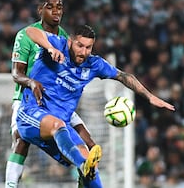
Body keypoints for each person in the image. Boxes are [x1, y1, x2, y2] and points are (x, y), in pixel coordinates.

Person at [18, 25, 174, 186]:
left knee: (89, 160)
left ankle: (85, 173)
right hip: (31, 114)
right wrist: (50, 48)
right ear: (71, 42)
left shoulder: (94, 64)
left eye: (88, 47)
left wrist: (149, 97)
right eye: (80, 45)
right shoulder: (59, 45)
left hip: (62, 126)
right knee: (63, 133)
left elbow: (123, 76)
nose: (84, 52)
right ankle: (83, 165)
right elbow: (30, 31)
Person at [6, 0, 95, 188]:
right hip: (28, 99)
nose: (56, 11)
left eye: (60, 7)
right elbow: (16, 74)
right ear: (40, 10)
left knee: (88, 143)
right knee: (20, 138)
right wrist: (31, 82)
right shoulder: (25, 36)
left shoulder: (65, 37)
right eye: (50, 7)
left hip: (57, 101)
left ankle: (83, 178)